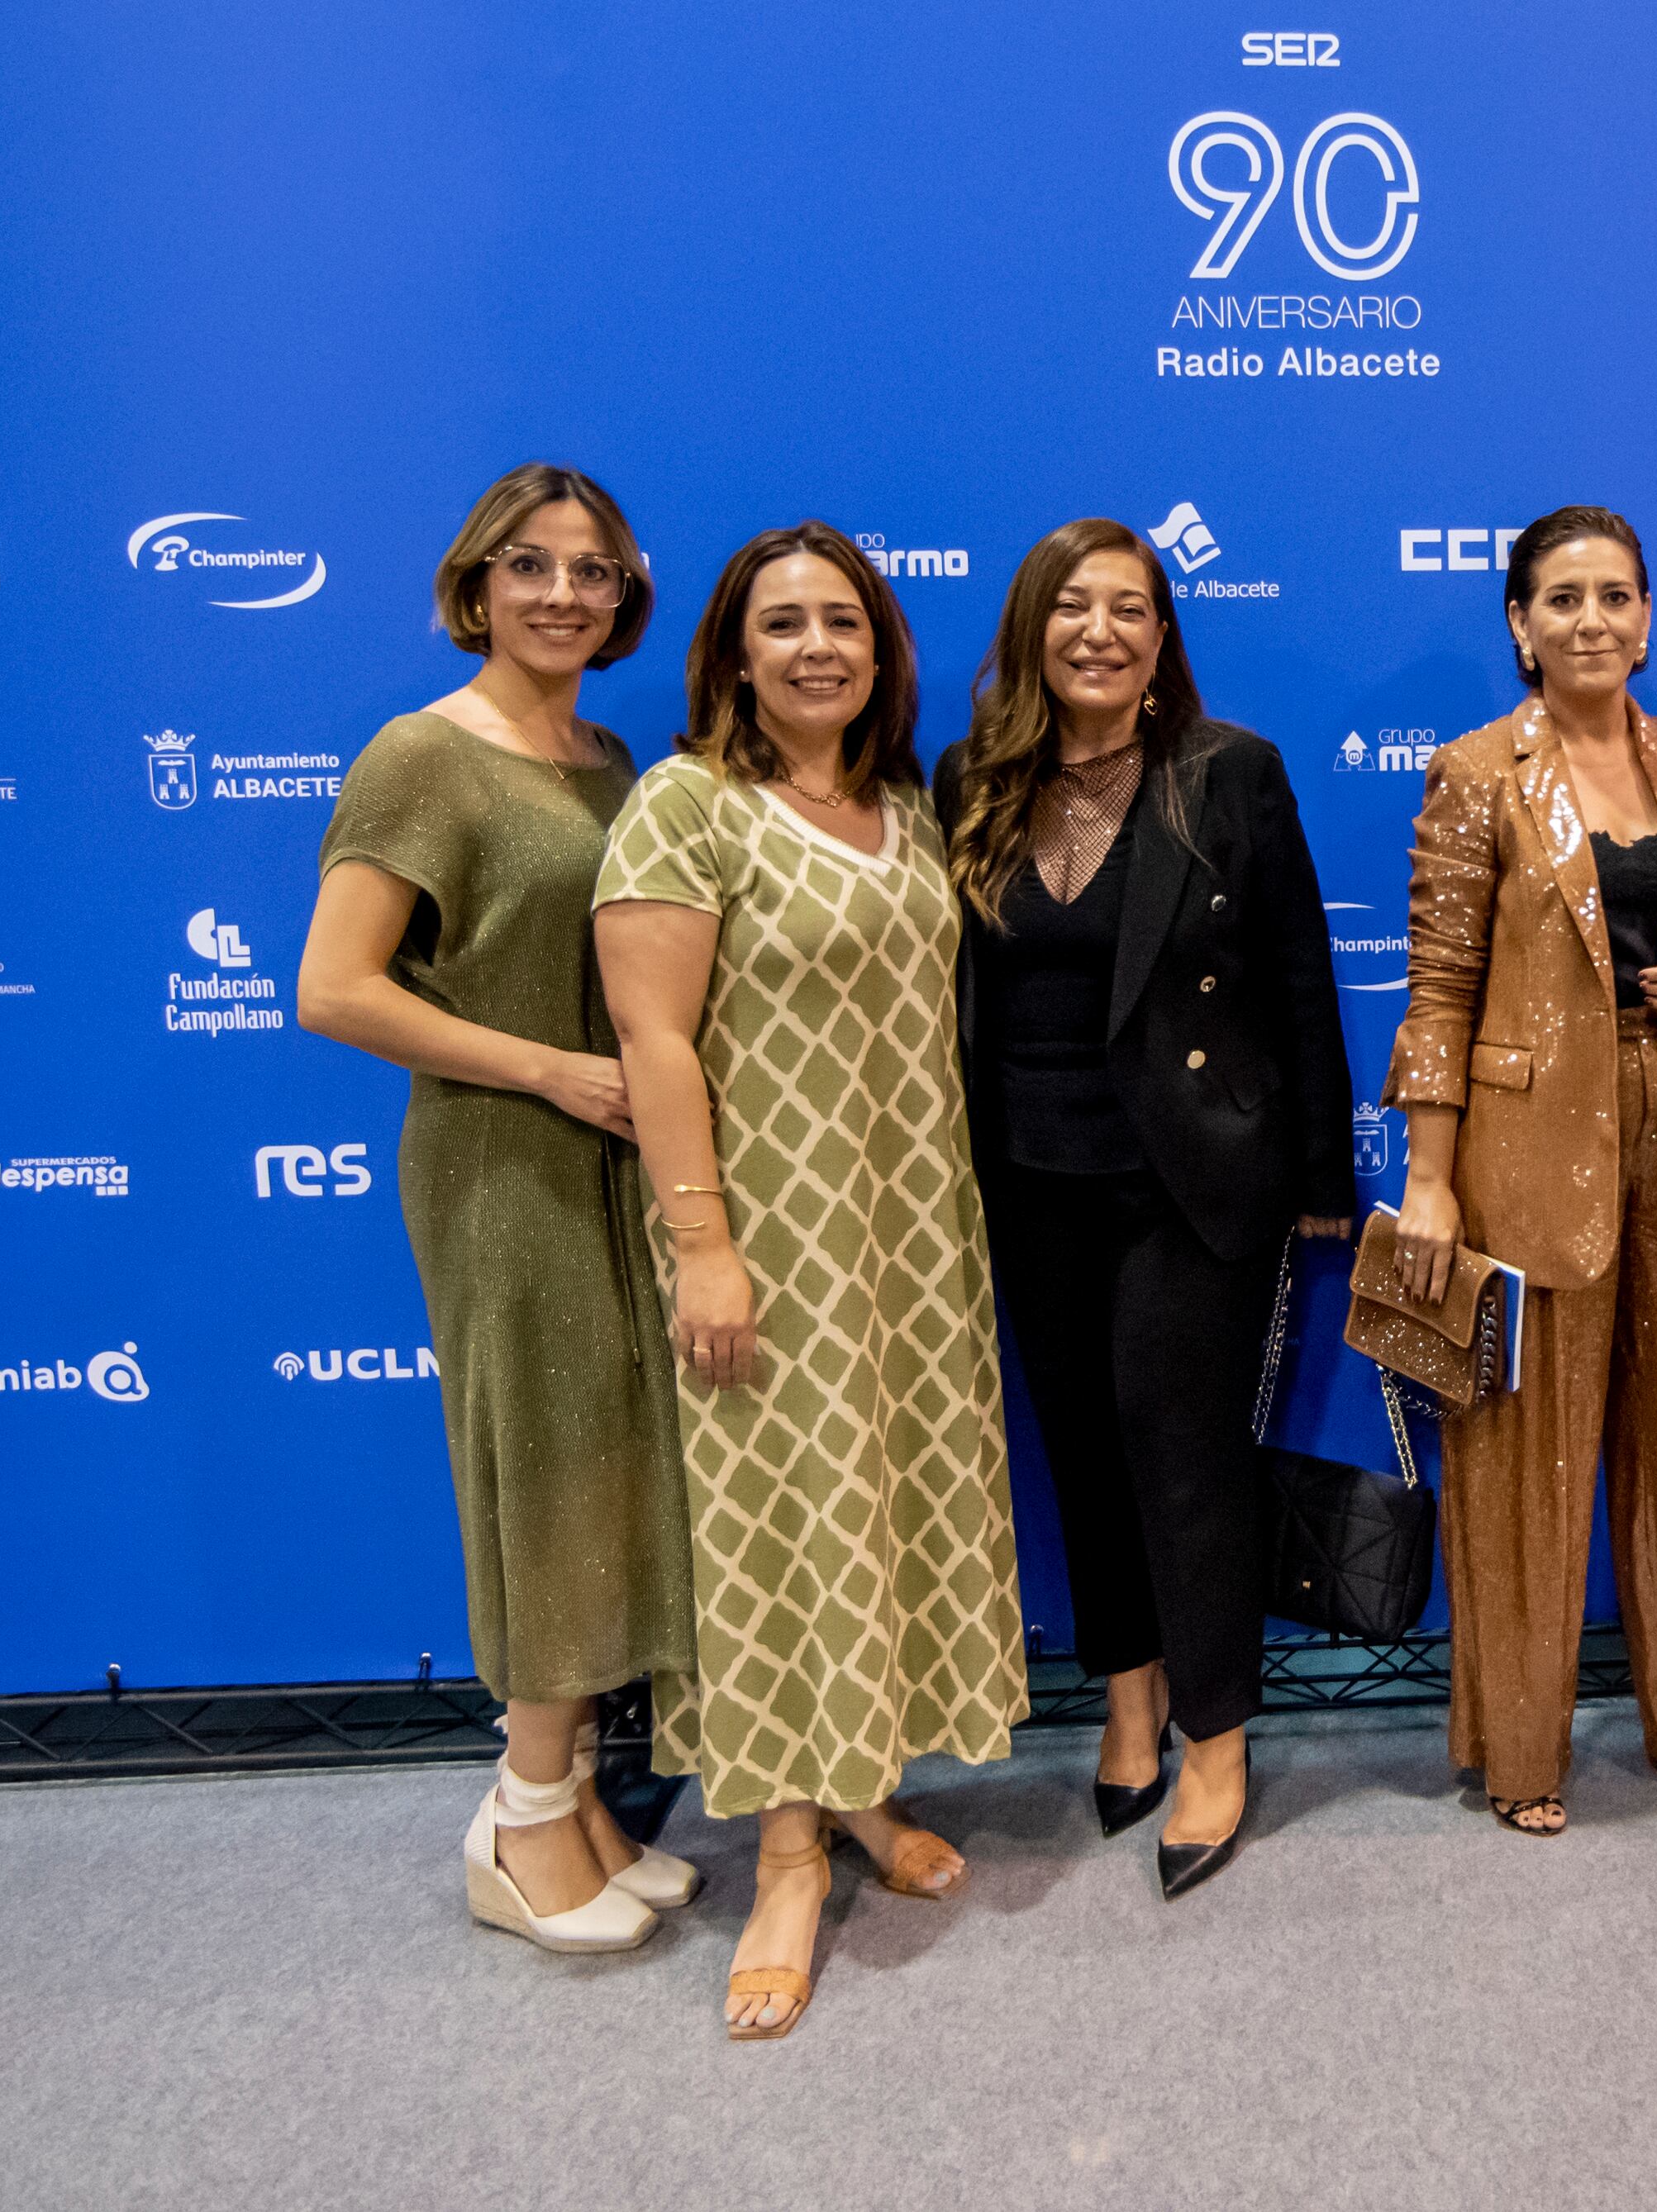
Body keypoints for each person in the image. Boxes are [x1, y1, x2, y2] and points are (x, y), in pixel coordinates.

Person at [594, 521, 1029, 2037]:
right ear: (732, 652)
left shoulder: (903, 806)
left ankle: (855, 1796)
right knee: (783, 1522)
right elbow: (655, 1042)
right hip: (767, 1237)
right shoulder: (685, 807)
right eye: (782, 624)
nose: (816, 647)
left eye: (842, 620)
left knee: (880, 1510)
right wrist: (704, 1245)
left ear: (880, 648)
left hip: (908, 1233)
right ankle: (784, 1857)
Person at [298, 463, 698, 1958]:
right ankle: (526, 1821)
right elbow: (334, 988)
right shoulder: (422, 756)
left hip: (610, 1155)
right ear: (478, 582)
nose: (563, 594)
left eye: (592, 571)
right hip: (501, 1163)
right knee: (546, 1473)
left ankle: (574, 1796)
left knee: (608, 1465)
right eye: (531, 566)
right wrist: (551, 1072)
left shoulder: (609, 758)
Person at [936, 521, 1355, 1900]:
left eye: (1129, 608)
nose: (1100, 632)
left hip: (1193, 1182)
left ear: (1164, 636)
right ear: (1030, 629)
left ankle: (1217, 1734)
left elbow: (1300, 978)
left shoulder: (1228, 773)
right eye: (1072, 607)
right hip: (1026, 1178)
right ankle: (1129, 1697)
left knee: (1183, 1455)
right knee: (1084, 1454)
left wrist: (1318, 1186)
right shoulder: (971, 780)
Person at [1384, 504, 1657, 1837]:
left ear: (1649, 616)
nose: (1590, 620)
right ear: (1518, 623)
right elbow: (1439, 990)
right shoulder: (1470, 772)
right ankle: (1521, 1753)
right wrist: (1430, 1180)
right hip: (1522, 1143)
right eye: (1560, 598)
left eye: (1614, 595)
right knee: (1522, 1456)